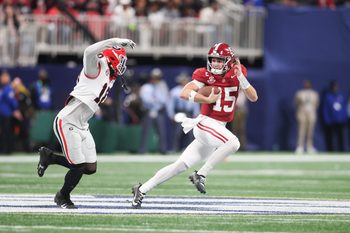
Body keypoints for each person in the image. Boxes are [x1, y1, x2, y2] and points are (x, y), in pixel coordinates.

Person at [131, 43, 258, 208]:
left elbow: (253, 97)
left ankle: (141, 189)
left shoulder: (237, 73)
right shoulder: (204, 74)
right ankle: (201, 175)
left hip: (217, 128)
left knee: (180, 165)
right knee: (234, 143)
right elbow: (184, 93)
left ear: (229, 61)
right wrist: (205, 99)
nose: (215, 63)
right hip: (205, 123)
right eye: (213, 60)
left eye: (220, 60)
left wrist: (241, 77)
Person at [36, 37, 135, 209]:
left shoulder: (110, 74)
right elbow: (89, 51)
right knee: (78, 166)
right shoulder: (95, 66)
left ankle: (49, 157)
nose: (122, 65)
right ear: (111, 58)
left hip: (82, 124)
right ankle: (62, 196)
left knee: (90, 168)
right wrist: (115, 41)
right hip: (68, 121)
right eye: (120, 60)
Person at [138, 68, 169, 154]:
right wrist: (155, 101)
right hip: (148, 111)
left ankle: (163, 149)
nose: (156, 80)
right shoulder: (146, 87)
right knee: (145, 131)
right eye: (154, 77)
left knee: (161, 132)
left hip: (158, 111)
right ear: (151, 78)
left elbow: (164, 99)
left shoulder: (162, 86)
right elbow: (146, 100)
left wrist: (155, 100)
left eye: (158, 78)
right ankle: (142, 149)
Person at [168, 72, 200, 152]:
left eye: (185, 80)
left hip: (189, 112)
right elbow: (170, 104)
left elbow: (195, 102)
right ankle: (175, 148)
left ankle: (189, 150)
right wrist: (171, 114)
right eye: (182, 80)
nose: (184, 81)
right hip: (180, 112)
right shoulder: (175, 91)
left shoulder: (192, 91)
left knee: (190, 133)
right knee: (177, 132)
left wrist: (196, 113)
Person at [294, 80, 319, 154]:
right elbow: (296, 103)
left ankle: (309, 146)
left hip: (311, 114)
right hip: (302, 113)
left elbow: (316, 104)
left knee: (310, 131)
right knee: (301, 130)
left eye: (308, 84)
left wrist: (312, 110)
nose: (307, 85)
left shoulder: (314, 94)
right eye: (306, 84)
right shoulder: (299, 93)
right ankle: (300, 146)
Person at [321, 80, 347, 152]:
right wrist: (327, 120)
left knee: (340, 136)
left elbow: (344, 107)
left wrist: (344, 118)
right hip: (331, 120)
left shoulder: (341, 95)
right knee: (330, 137)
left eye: (336, 86)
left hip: (340, 120)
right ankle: (330, 151)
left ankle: (341, 150)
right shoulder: (327, 96)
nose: (335, 87)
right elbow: (325, 109)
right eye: (334, 86)